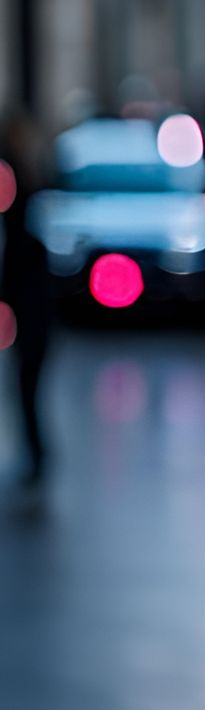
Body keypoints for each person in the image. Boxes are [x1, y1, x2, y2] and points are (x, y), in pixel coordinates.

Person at [0, 112, 53, 487]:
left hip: (31, 307)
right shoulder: (32, 188)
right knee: (27, 387)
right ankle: (37, 455)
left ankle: (37, 456)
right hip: (33, 307)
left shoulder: (26, 195)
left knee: (27, 386)